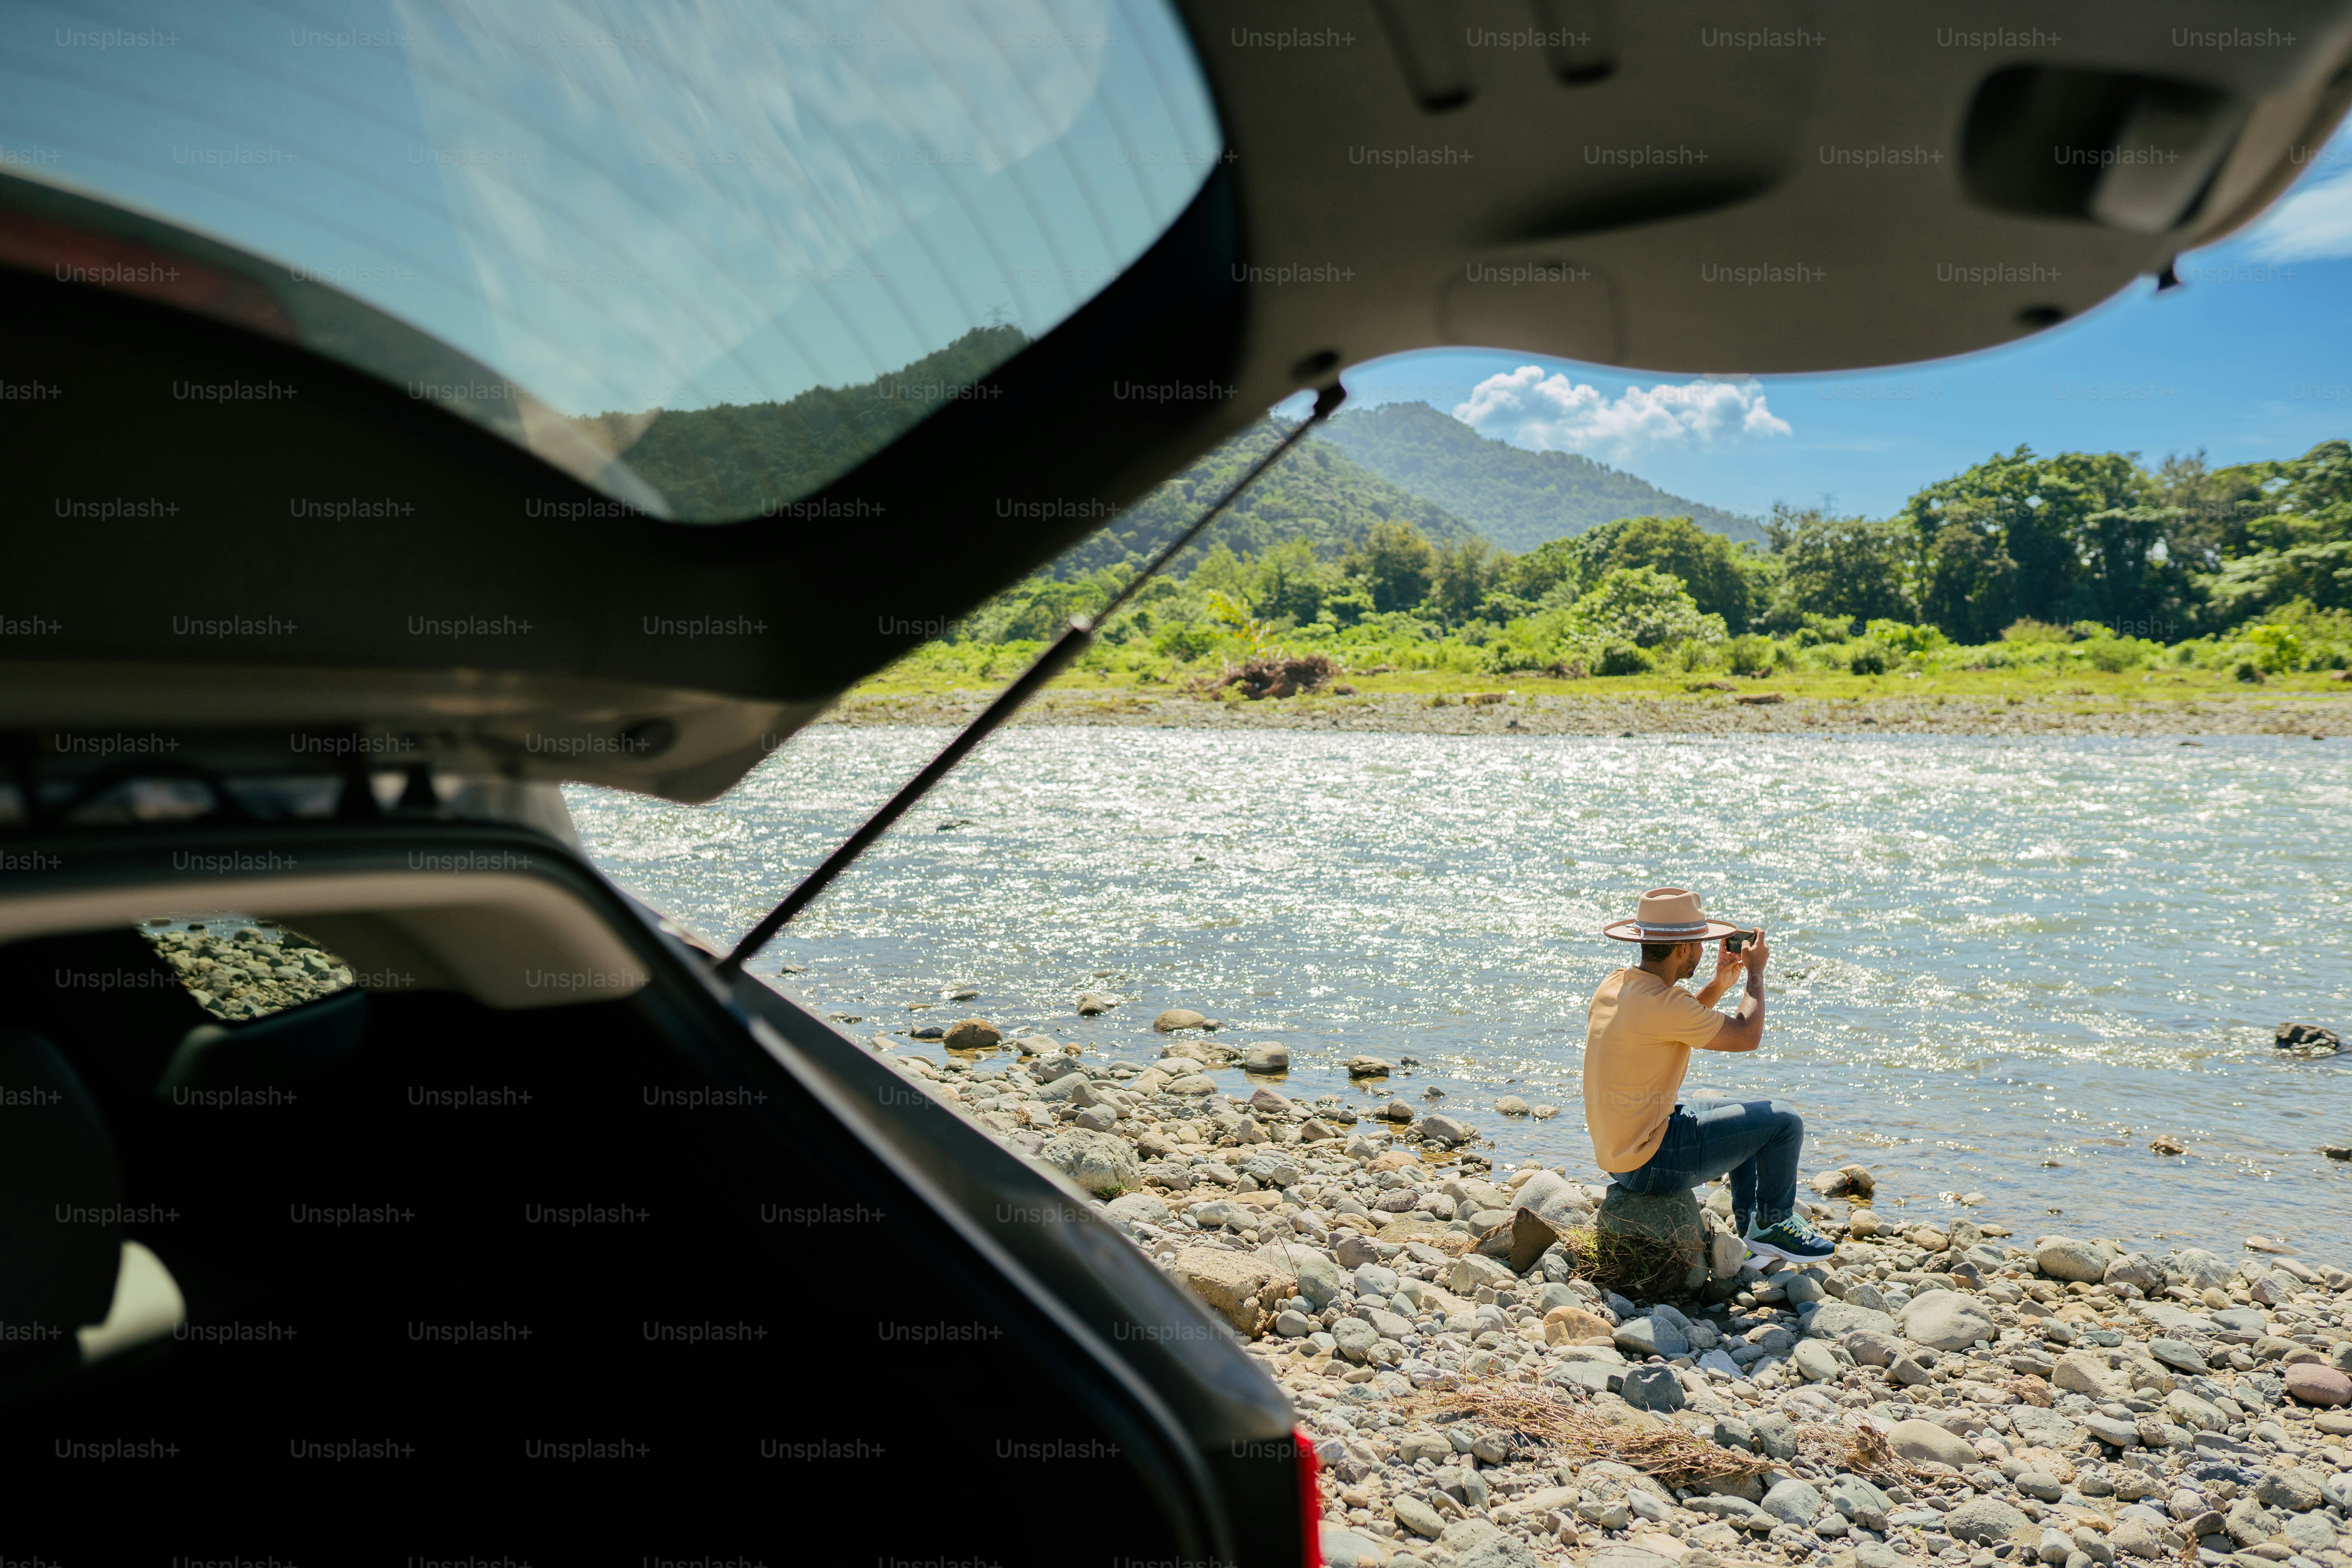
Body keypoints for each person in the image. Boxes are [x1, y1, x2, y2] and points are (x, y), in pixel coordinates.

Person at [1581, 887, 1831, 1264]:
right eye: (1698, 943)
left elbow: (1673, 1021)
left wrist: (1720, 984)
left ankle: (1753, 1228)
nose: (1702, 950)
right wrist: (1755, 974)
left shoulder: (1617, 984)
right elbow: (1747, 1036)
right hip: (1650, 1163)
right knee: (1784, 1122)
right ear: (1682, 949)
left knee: (1741, 1113)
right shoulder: (1665, 1003)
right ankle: (1773, 1224)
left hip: (1622, 1153)